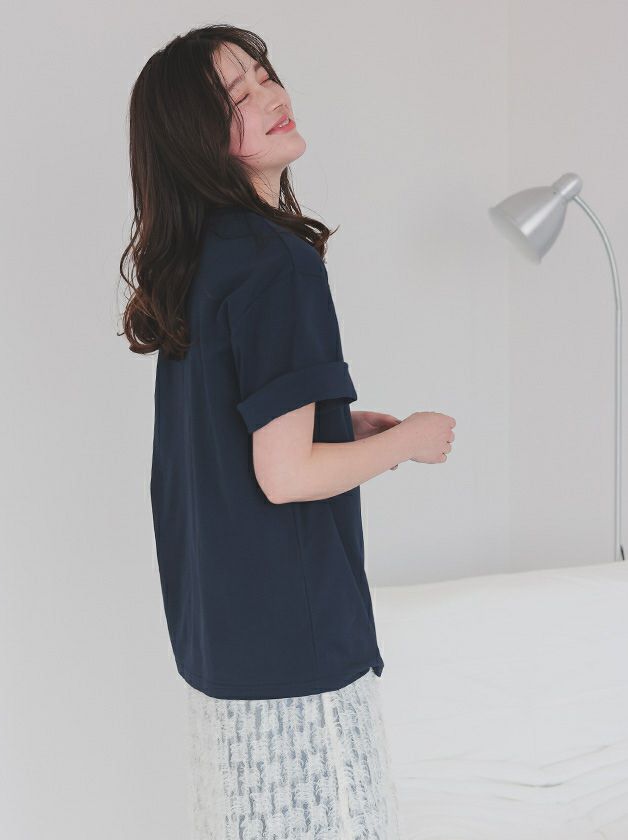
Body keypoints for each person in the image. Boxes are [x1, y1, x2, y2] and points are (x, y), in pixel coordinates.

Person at [119, 23, 455, 840]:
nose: (270, 95)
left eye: (265, 75)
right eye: (237, 96)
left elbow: (235, 441)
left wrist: (346, 425)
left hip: (222, 642)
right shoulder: (277, 264)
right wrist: (411, 437)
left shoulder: (202, 260)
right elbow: (286, 475)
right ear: (197, 142)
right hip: (297, 650)